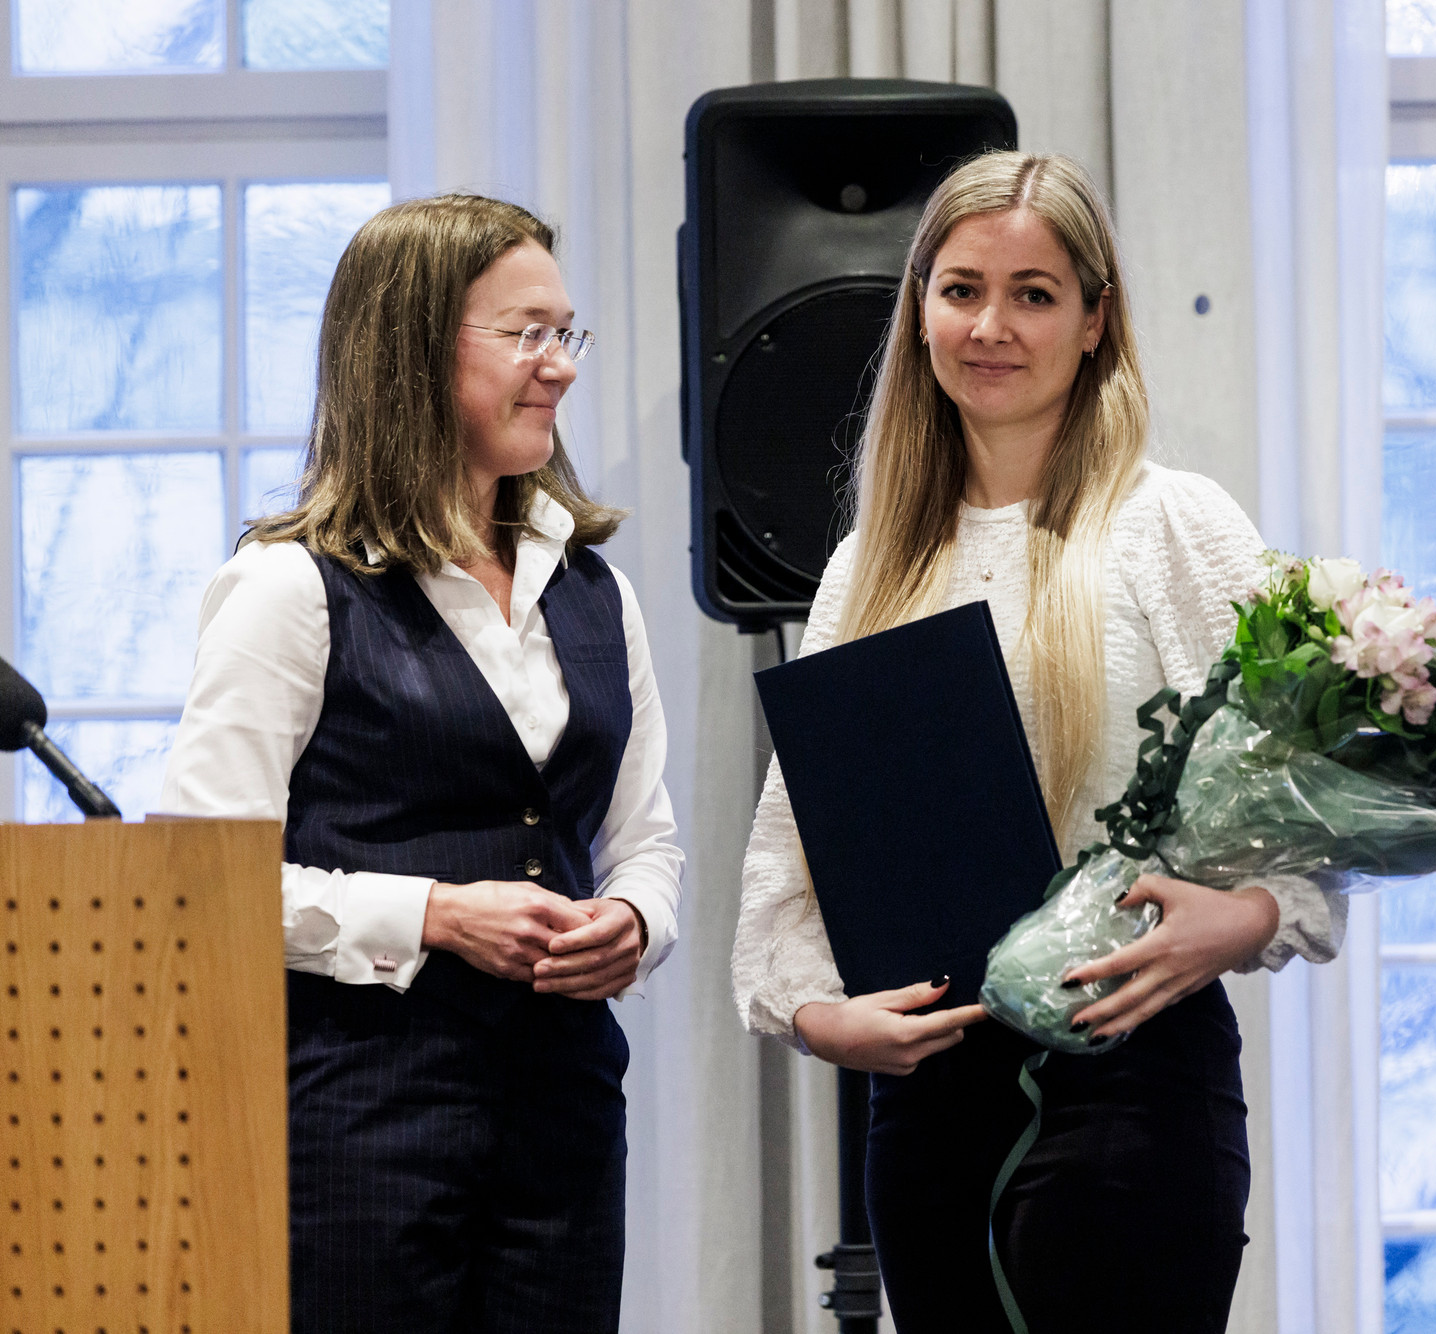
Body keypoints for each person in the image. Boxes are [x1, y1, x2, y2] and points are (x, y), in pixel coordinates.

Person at [731, 151, 1347, 1332]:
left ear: (1094, 320)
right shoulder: (869, 563)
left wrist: (1254, 913)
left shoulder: (1176, 524)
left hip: (1139, 1088)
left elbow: (1314, 790)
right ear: (917, 311)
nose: (990, 326)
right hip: (924, 1109)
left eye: (1033, 293)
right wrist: (816, 1014)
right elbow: (793, 845)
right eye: (960, 289)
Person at [159, 194, 683, 1334]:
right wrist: (435, 913)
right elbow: (204, 883)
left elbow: (643, 841)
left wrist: (635, 922)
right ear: (408, 347)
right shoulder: (287, 590)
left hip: (564, 1128)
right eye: (526, 333)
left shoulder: (597, 589)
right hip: (354, 1132)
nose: (560, 368)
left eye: (567, 332)